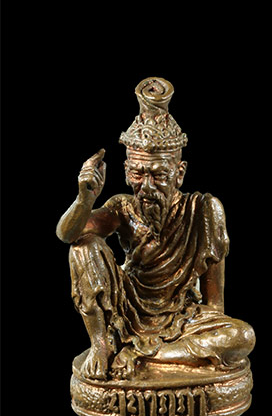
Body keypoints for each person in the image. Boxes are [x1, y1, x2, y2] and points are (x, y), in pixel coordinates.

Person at [57, 77, 255, 381]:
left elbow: (215, 305)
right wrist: (85, 199)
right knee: (83, 246)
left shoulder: (203, 210)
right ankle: (101, 346)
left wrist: (203, 327)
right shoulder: (123, 208)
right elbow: (67, 234)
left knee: (242, 336)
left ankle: (142, 354)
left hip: (181, 315)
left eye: (159, 175)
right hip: (129, 308)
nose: (147, 187)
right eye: (138, 174)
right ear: (126, 172)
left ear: (179, 173)